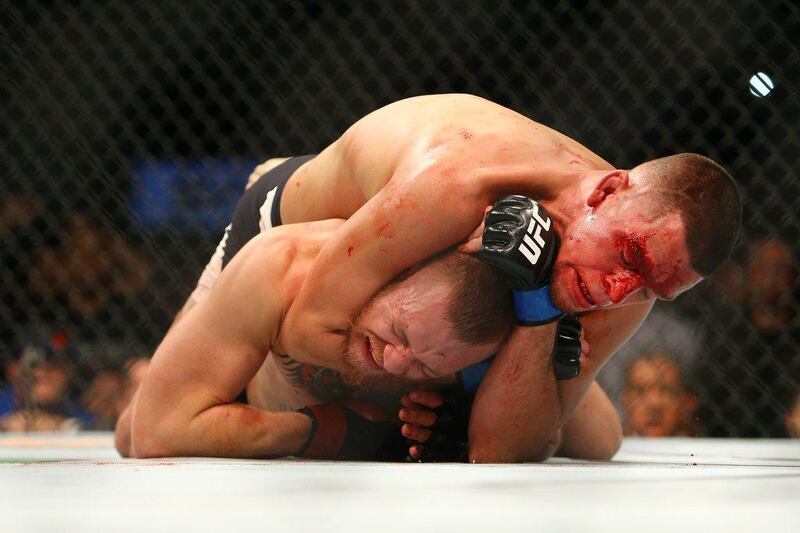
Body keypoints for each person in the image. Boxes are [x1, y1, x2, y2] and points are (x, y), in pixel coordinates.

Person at [169, 94, 742, 461]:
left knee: (593, 438)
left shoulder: (630, 285)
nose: (619, 289)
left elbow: (499, 452)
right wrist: (464, 401)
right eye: (629, 255)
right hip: (293, 238)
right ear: (607, 189)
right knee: (153, 427)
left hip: (421, 329)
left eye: (649, 289)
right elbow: (309, 330)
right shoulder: (460, 180)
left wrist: (537, 302)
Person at [118, 219, 618, 460]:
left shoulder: (487, 343)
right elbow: (154, 436)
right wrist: (318, 431)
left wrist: (541, 334)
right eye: (399, 331)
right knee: (130, 428)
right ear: (392, 274)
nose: (397, 363)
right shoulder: (282, 269)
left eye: (427, 366)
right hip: (271, 214)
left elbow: (598, 443)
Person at [621, 353, 699, 437]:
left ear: (688, 402)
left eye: (667, 391)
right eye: (640, 391)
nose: (654, 404)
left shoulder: (704, 446)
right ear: (625, 399)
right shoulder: (611, 447)